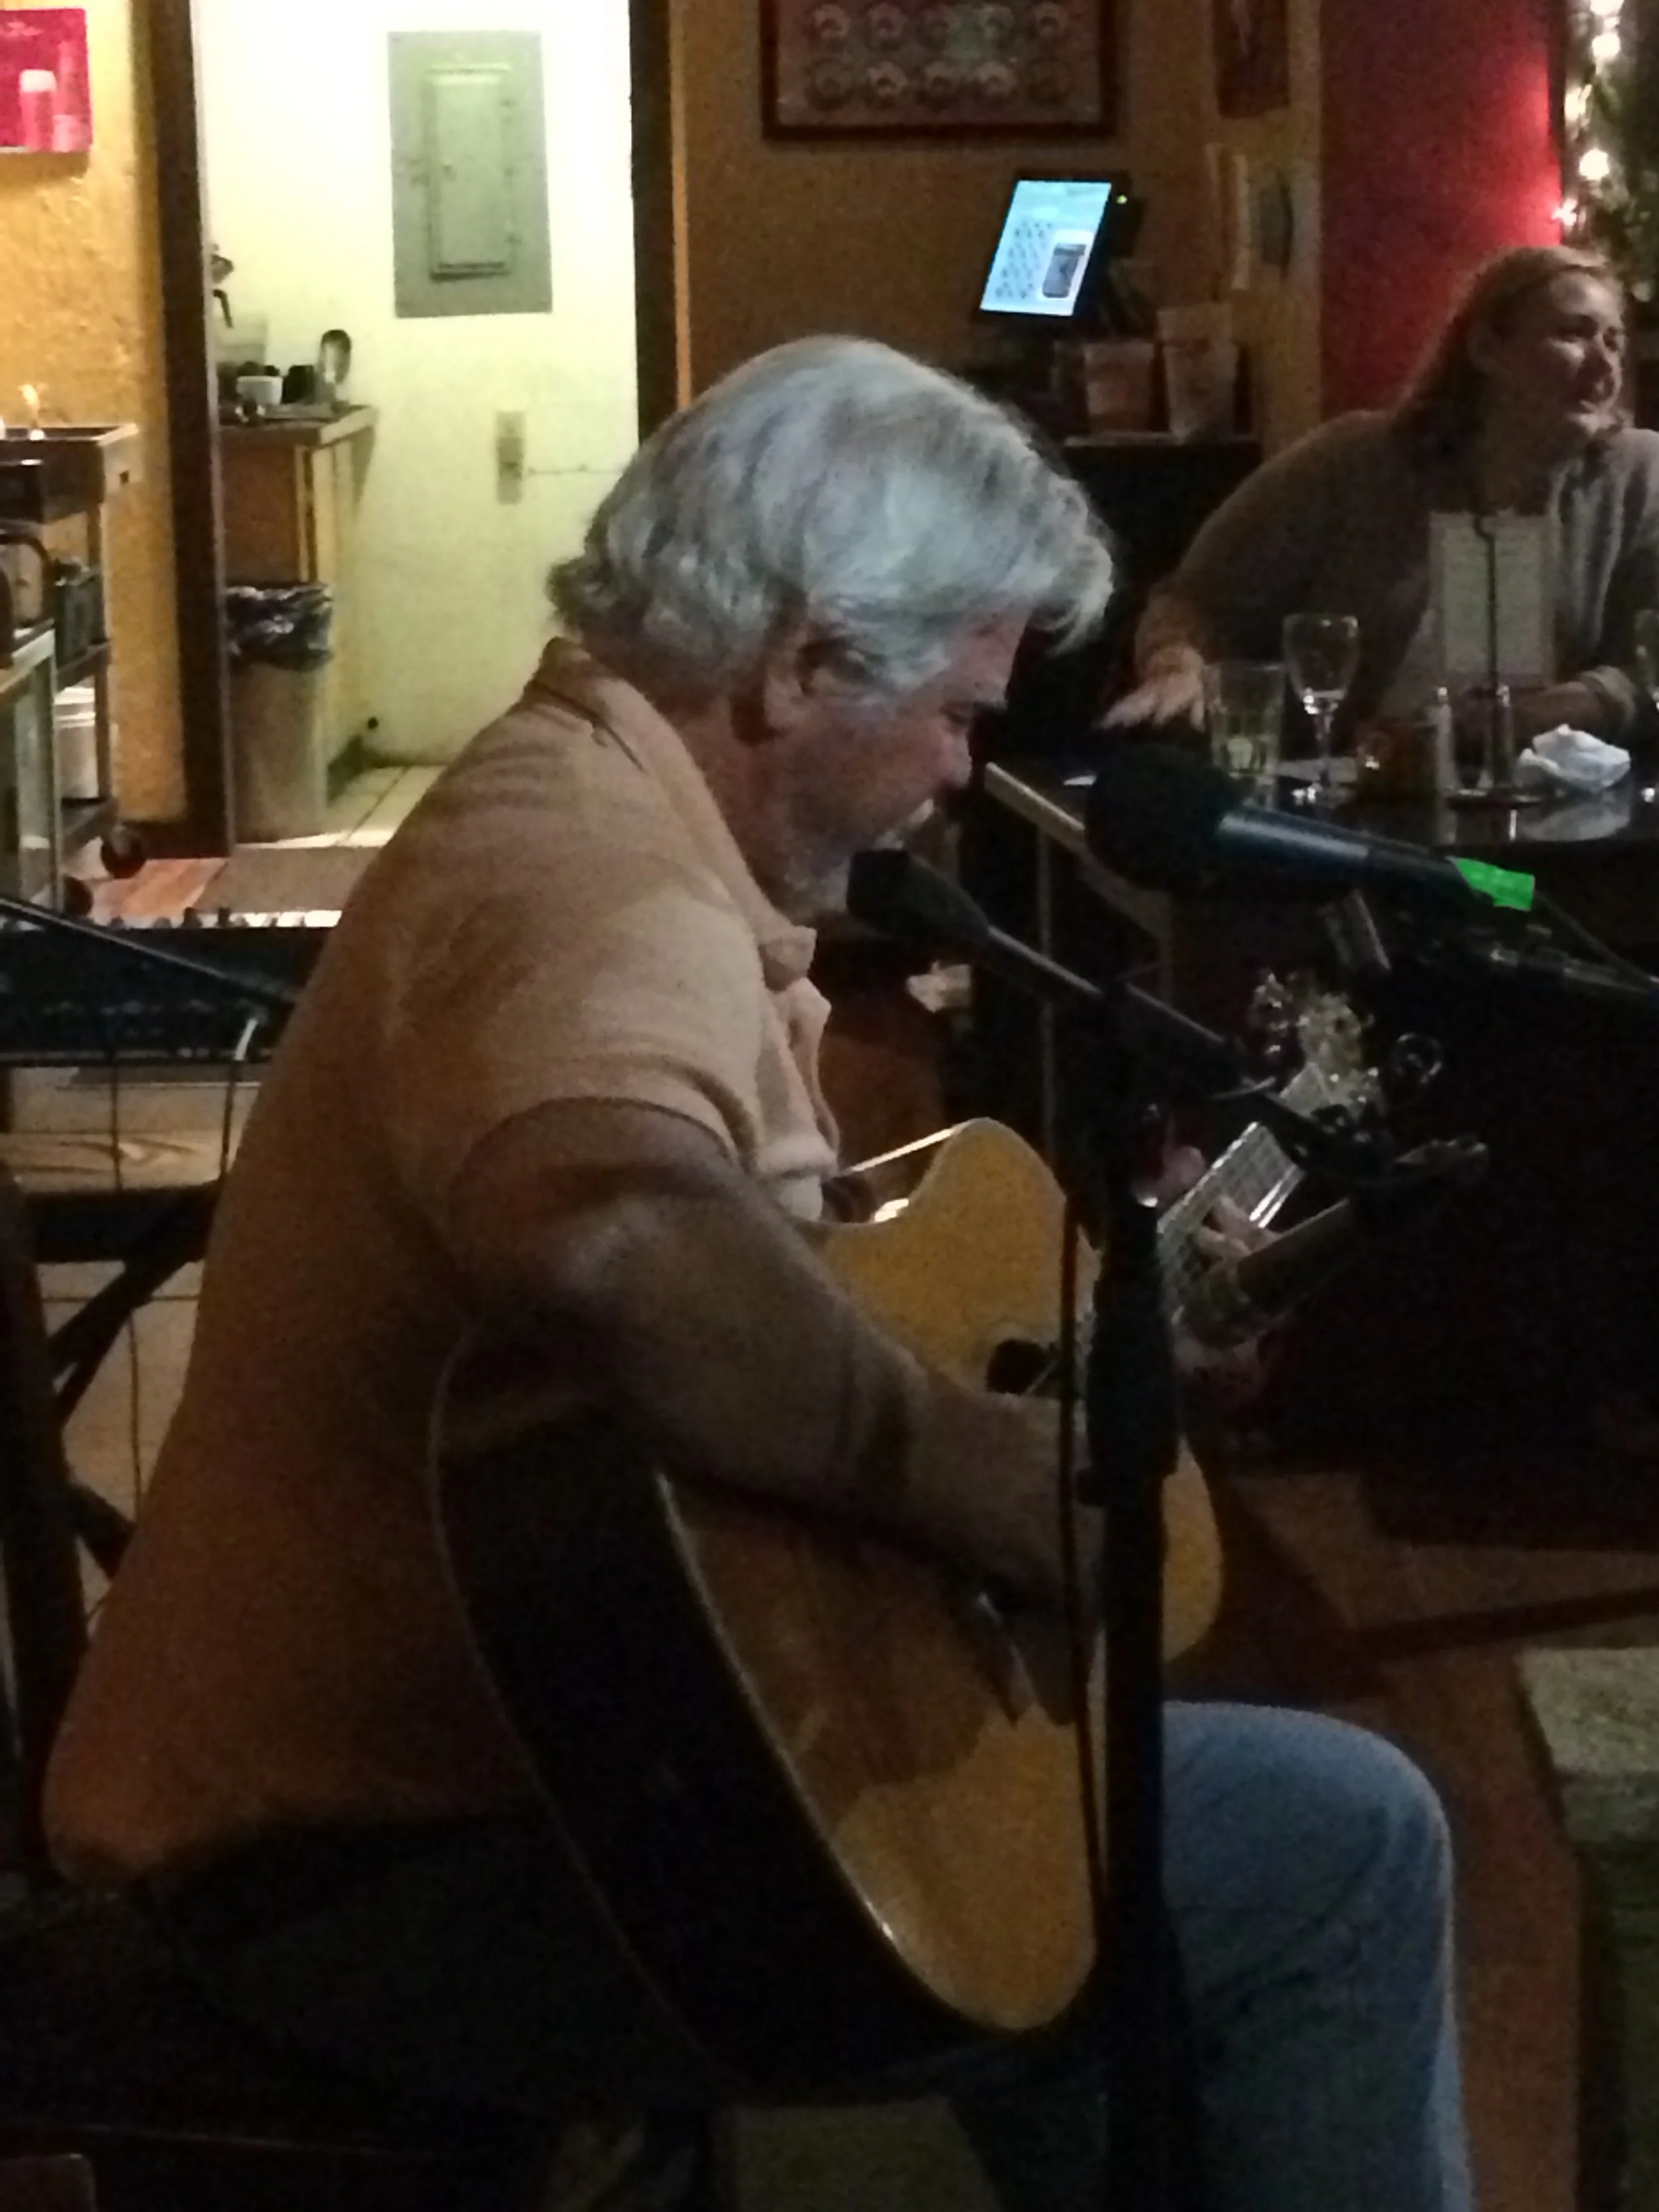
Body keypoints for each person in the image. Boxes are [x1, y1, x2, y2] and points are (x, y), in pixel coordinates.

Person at [44, 336, 1472, 2212]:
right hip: (389, 1867)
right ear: (802, 665)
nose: (959, 775)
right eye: (955, 713)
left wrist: (1087, 1357)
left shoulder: (593, 815)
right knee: (1343, 1839)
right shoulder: (590, 884)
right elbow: (618, 1233)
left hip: (521, 1785)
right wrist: (969, 1475)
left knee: (1041, 1850)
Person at [1107, 242, 1659, 746]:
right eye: (1574, 334)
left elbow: (1650, 664)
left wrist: (1524, 718)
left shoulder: (1637, 475)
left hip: (1552, 800)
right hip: (1350, 790)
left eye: (1614, 341)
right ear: (1487, 347)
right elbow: (1193, 603)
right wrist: (1177, 671)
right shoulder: (1353, 461)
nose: (1604, 364)